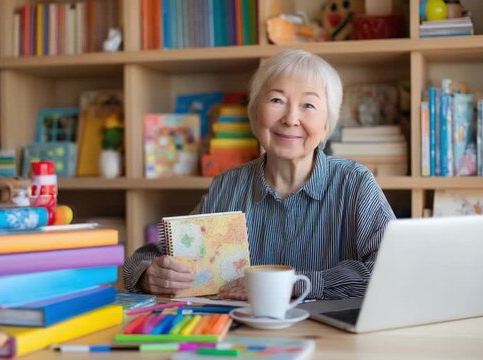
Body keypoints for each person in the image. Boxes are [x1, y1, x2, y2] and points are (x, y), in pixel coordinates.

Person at [122, 49, 396, 300]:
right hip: (242, 338)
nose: (290, 119)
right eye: (277, 100)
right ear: (255, 114)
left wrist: (295, 285)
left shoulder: (355, 184)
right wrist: (150, 275)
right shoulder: (227, 186)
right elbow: (154, 256)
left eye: (308, 105)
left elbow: (394, 269)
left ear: (326, 125)